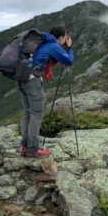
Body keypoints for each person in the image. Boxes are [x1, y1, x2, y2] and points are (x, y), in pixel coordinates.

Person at [18, 26, 74, 157]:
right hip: (32, 81)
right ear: (60, 38)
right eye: (64, 38)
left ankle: (25, 146)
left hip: (22, 78)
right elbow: (68, 61)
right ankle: (33, 149)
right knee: (36, 114)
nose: (65, 40)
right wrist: (69, 47)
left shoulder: (41, 43)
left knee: (28, 113)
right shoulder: (52, 45)